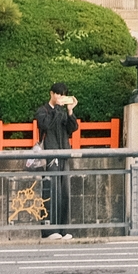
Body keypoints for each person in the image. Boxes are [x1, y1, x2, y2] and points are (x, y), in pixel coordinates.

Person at [33, 82, 78, 239]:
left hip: (63, 155)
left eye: (63, 94)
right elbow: (45, 124)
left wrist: (70, 110)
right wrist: (55, 110)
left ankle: (63, 229)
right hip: (50, 156)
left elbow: (72, 129)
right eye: (58, 94)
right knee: (51, 192)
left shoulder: (62, 112)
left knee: (64, 193)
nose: (60, 97)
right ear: (51, 94)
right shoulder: (43, 111)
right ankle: (49, 230)